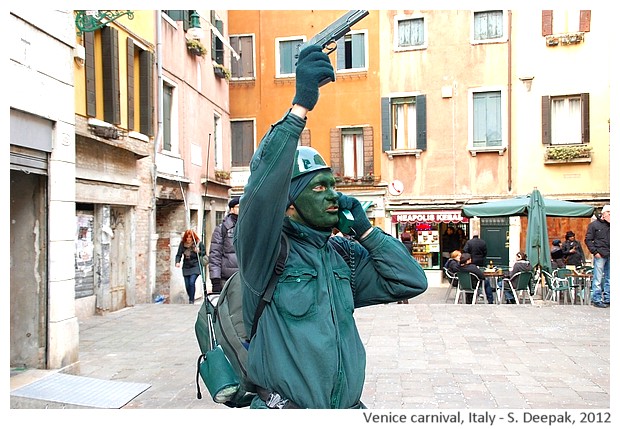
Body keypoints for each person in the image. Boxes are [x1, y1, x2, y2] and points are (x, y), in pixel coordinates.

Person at [234, 45, 428, 409]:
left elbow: (412, 281)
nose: (333, 196)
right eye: (319, 187)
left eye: (333, 185)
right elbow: (262, 189)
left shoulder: (343, 254)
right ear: (289, 202)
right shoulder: (265, 250)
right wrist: (300, 108)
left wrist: (367, 234)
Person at [208, 197, 240, 293]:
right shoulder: (222, 229)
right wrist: (215, 280)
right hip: (227, 279)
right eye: (239, 206)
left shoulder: (250, 226)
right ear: (232, 209)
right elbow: (215, 255)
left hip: (246, 278)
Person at [585, 205, 610, 308]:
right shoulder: (594, 225)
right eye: (610, 213)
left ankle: (608, 298)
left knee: (610, 278)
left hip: (611, 254)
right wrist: (595, 252)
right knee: (598, 278)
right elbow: (588, 240)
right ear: (604, 214)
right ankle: (597, 299)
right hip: (600, 254)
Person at [175, 229, 206, 304]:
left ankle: (191, 300)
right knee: (187, 284)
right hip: (186, 266)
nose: (188, 239)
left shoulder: (198, 243)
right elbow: (179, 254)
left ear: (193, 238)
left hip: (195, 265)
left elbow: (204, 253)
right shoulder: (182, 244)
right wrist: (177, 262)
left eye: (190, 237)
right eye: (187, 237)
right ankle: (190, 296)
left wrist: (198, 251)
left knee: (192, 282)